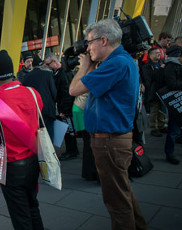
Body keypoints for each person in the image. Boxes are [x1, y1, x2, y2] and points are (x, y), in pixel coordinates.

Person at [69, 19, 147, 230]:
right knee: (123, 192)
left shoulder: (115, 64)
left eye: (90, 42)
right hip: (112, 140)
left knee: (116, 202)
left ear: (103, 40)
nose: (87, 48)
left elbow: (74, 90)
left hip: (109, 142)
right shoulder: (120, 61)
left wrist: (85, 66)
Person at [0, 50, 44, 230]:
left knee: (20, 216)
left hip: (12, 167)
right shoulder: (33, 93)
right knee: (33, 207)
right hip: (34, 160)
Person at [44, 53, 79, 160]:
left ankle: (72, 150)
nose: (48, 67)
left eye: (48, 64)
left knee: (69, 130)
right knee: (67, 130)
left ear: (54, 62)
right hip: (63, 106)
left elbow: (67, 94)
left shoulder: (63, 74)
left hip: (66, 107)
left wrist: (64, 110)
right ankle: (71, 150)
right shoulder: (58, 73)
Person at [23, 54, 57, 142]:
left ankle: (41, 153)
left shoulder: (26, 77)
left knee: (37, 135)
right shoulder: (48, 74)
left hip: (34, 110)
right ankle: (50, 153)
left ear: (32, 66)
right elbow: (54, 92)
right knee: (49, 133)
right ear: (41, 65)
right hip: (47, 109)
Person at [141, 47, 166, 137]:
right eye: (156, 53)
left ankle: (161, 125)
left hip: (162, 91)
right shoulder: (147, 66)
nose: (158, 54)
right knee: (154, 110)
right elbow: (149, 79)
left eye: (159, 53)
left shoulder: (162, 64)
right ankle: (154, 128)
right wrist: (160, 70)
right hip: (153, 91)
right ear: (150, 55)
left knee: (161, 110)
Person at [163, 45, 182, 165]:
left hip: (178, 99)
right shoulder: (171, 66)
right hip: (175, 101)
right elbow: (171, 84)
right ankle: (169, 152)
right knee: (173, 128)